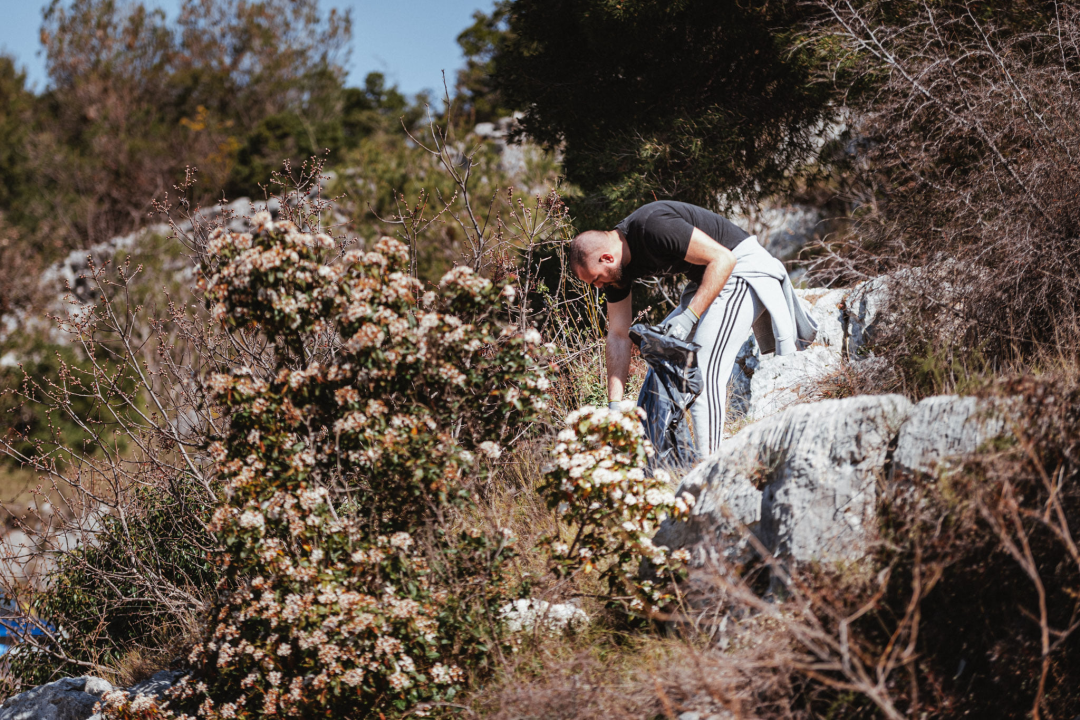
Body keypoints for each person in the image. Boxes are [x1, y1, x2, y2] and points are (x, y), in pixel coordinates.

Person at [570, 200, 817, 457]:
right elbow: (618, 335)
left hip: (740, 268)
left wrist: (689, 317)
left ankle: (710, 470)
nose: (598, 286)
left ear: (607, 258)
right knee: (661, 362)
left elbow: (724, 258)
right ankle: (659, 461)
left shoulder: (652, 225)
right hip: (710, 279)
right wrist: (615, 405)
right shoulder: (614, 271)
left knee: (704, 370)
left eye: (597, 279)